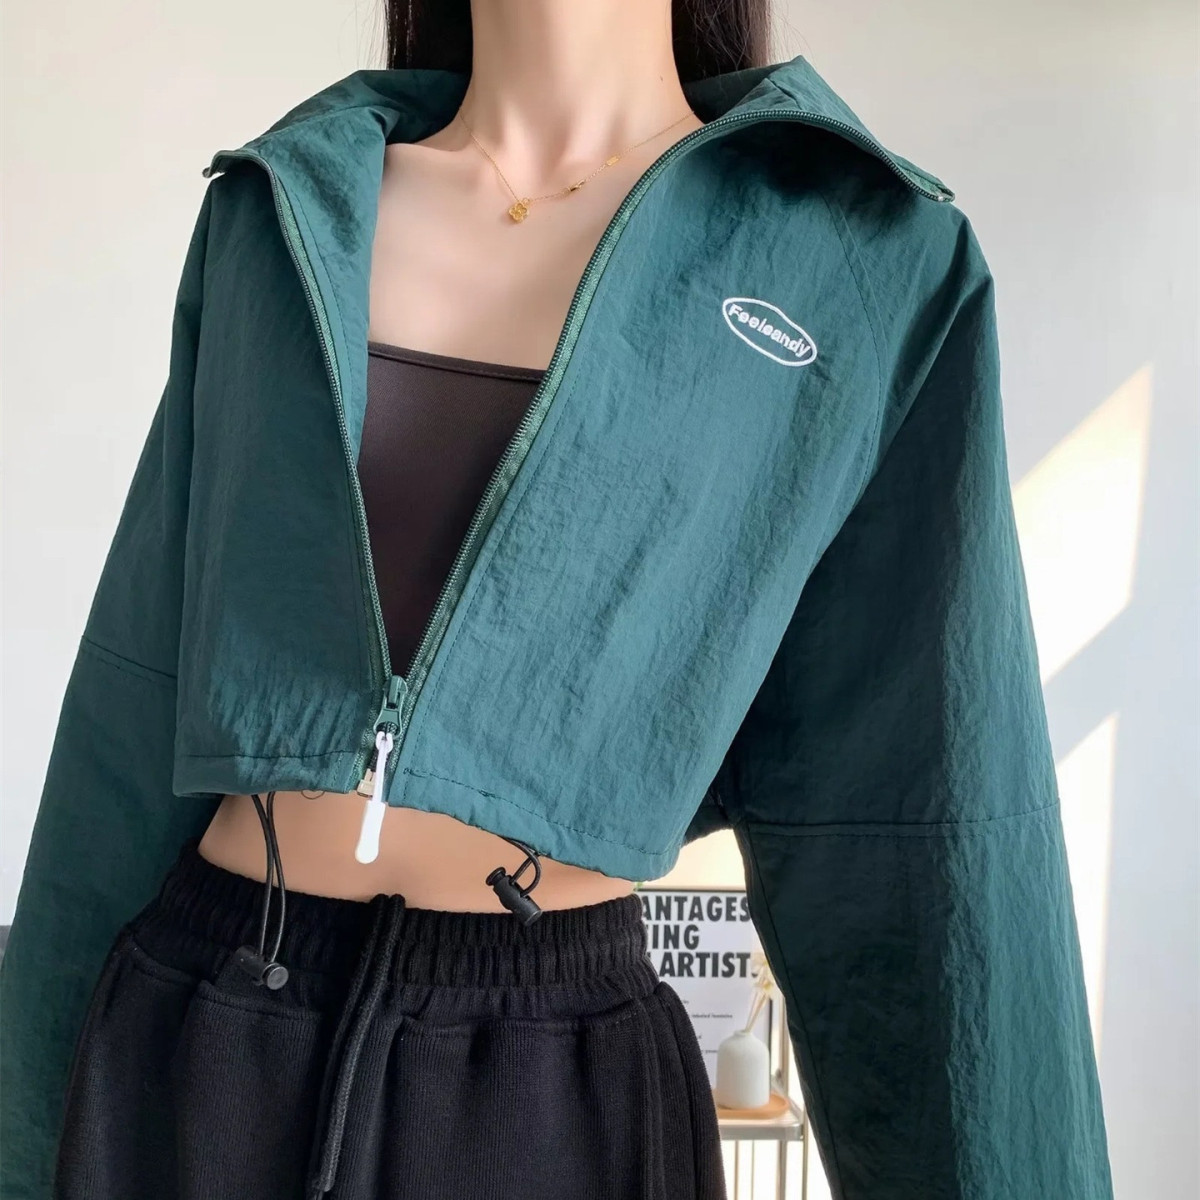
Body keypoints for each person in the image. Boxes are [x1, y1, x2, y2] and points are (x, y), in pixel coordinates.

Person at [0, 2, 1116, 1198]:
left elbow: (927, 811)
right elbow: (134, 697)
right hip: (204, 1034)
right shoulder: (279, 205)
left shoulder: (869, 257)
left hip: (550, 1083)